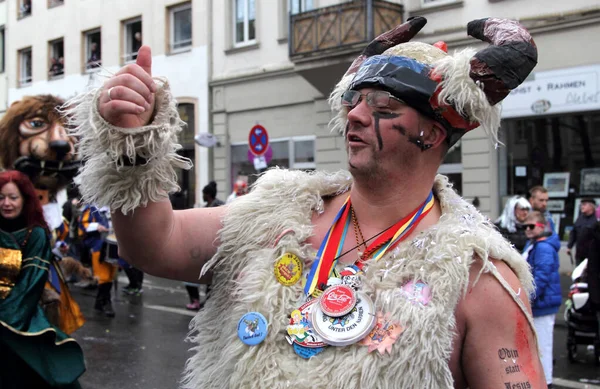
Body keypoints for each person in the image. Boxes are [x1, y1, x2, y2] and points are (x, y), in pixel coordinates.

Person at [68, 17, 545, 388]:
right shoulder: (275, 212)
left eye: (383, 109)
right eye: (355, 101)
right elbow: (155, 244)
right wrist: (135, 144)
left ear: (433, 132)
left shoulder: (479, 275)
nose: (354, 115)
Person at [0, 170, 85, 388]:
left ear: (25, 200)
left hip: (20, 314)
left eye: (13, 197)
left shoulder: (34, 234)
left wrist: (6, 319)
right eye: (1, 197)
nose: (6, 203)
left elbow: (31, 282)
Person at [522, 211, 561, 388]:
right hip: (540, 304)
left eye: (531, 226)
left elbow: (540, 278)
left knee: (543, 347)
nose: (527, 230)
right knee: (539, 347)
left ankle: (547, 383)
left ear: (542, 226)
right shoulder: (536, 245)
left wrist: (527, 297)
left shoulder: (543, 248)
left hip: (542, 305)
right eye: (525, 226)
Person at [184, 181, 224, 310]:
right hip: (207, 247)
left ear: (208, 194)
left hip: (216, 248)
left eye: (203, 194)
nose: (202, 196)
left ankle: (208, 303)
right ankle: (206, 302)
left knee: (212, 279)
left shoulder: (217, 205)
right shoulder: (208, 205)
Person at [77, 204, 116, 317]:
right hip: (99, 246)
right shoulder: (92, 209)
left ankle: (99, 302)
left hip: (113, 246)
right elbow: (82, 226)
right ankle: (105, 302)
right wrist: (97, 226)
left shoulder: (114, 207)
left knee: (110, 276)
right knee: (103, 276)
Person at [567, 198, 597, 266]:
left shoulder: (597, 219)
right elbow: (573, 233)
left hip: (593, 254)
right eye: (581, 205)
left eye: (584, 205)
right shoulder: (580, 218)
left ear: (591, 206)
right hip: (580, 254)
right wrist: (569, 246)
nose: (582, 207)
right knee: (579, 274)